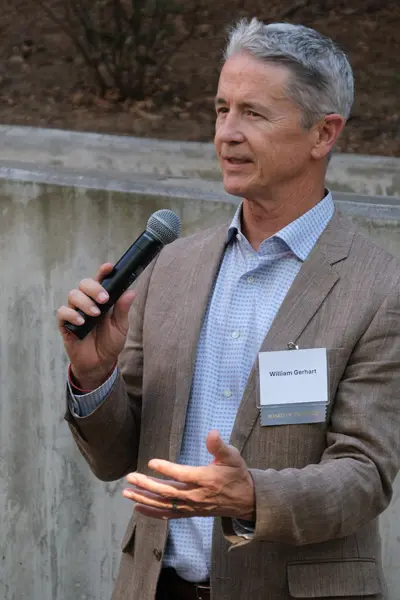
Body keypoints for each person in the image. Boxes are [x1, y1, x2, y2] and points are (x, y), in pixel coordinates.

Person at [58, 17, 400, 600]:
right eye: (221, 110)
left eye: (254, 114)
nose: (226, 134)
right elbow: (118, 458)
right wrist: (94, 374)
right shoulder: (174, 267)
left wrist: (253, 496)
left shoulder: (380, 287)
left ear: (324, 134)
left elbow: (365, 474)